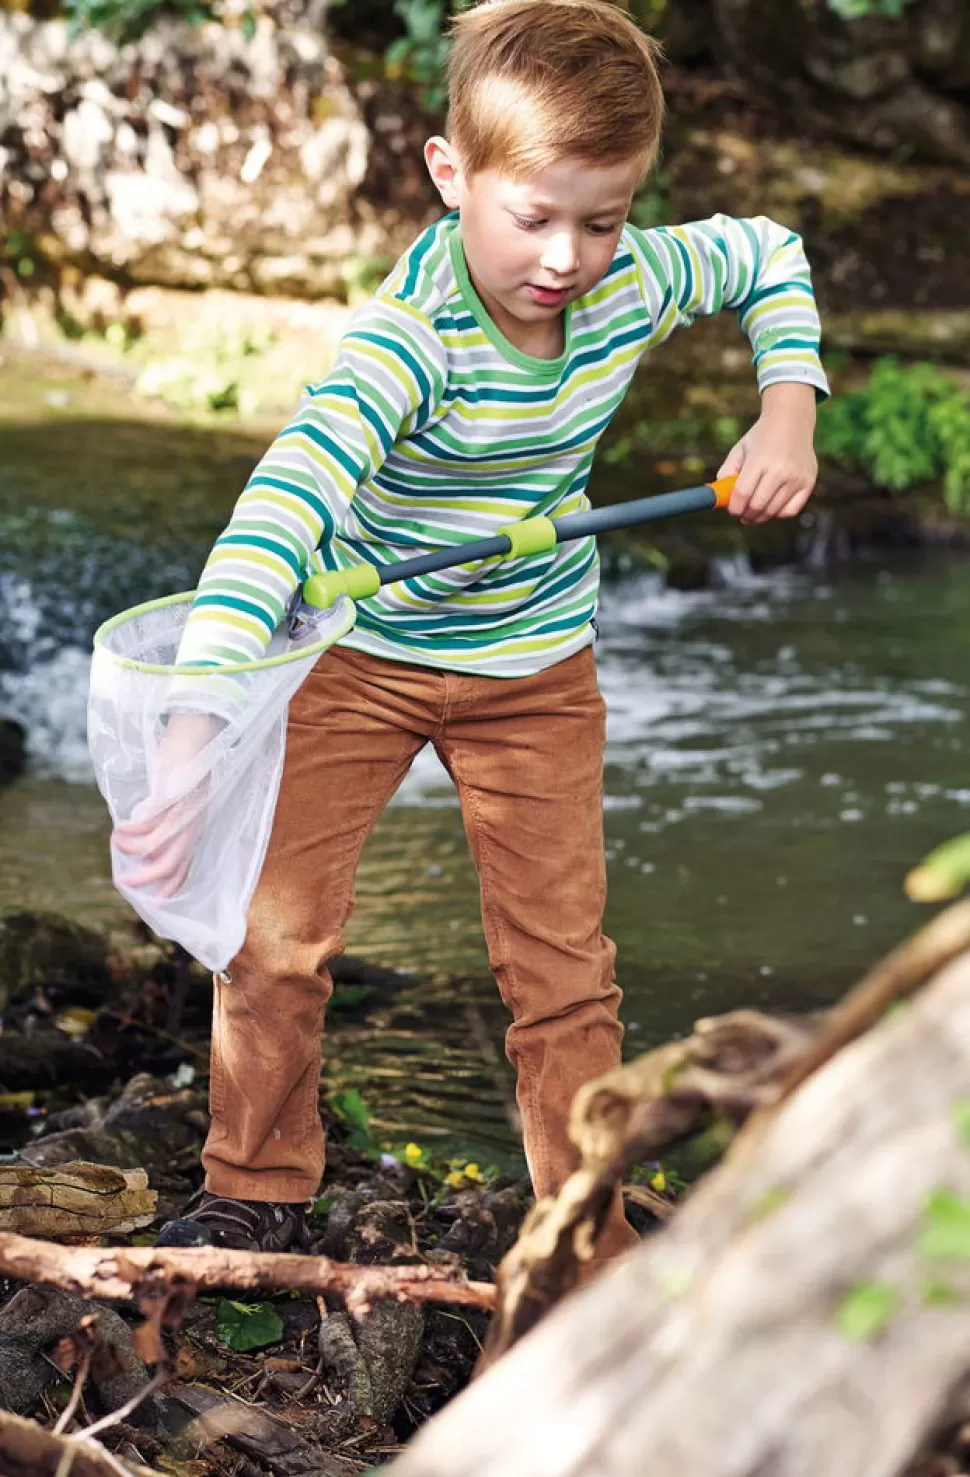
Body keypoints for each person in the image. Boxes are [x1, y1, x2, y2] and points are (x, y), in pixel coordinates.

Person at [116, 0, 827, 1260]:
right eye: (533, 218)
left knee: (562, 973)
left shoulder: (634, 279)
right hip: (360, 655)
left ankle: (578, 1228)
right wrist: (191, 729)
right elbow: (274, 517)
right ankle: (257, 1189)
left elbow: (768, 251)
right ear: (452, 176)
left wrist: (786, 411)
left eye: (599, 220)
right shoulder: (403, 347)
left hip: (536, 669)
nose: (565, 257)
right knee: (273, 940)